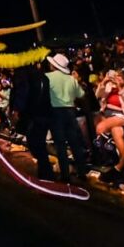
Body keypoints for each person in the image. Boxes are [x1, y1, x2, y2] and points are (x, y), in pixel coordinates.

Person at [45, 53, 89, 182]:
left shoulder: (48, 77)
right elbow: (81, 94)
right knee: (75, 144)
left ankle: (65, 176)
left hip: (55, 113)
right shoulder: (71, 79)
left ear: (53, 65)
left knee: (60, 145)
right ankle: (82, 173)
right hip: (70, 113)